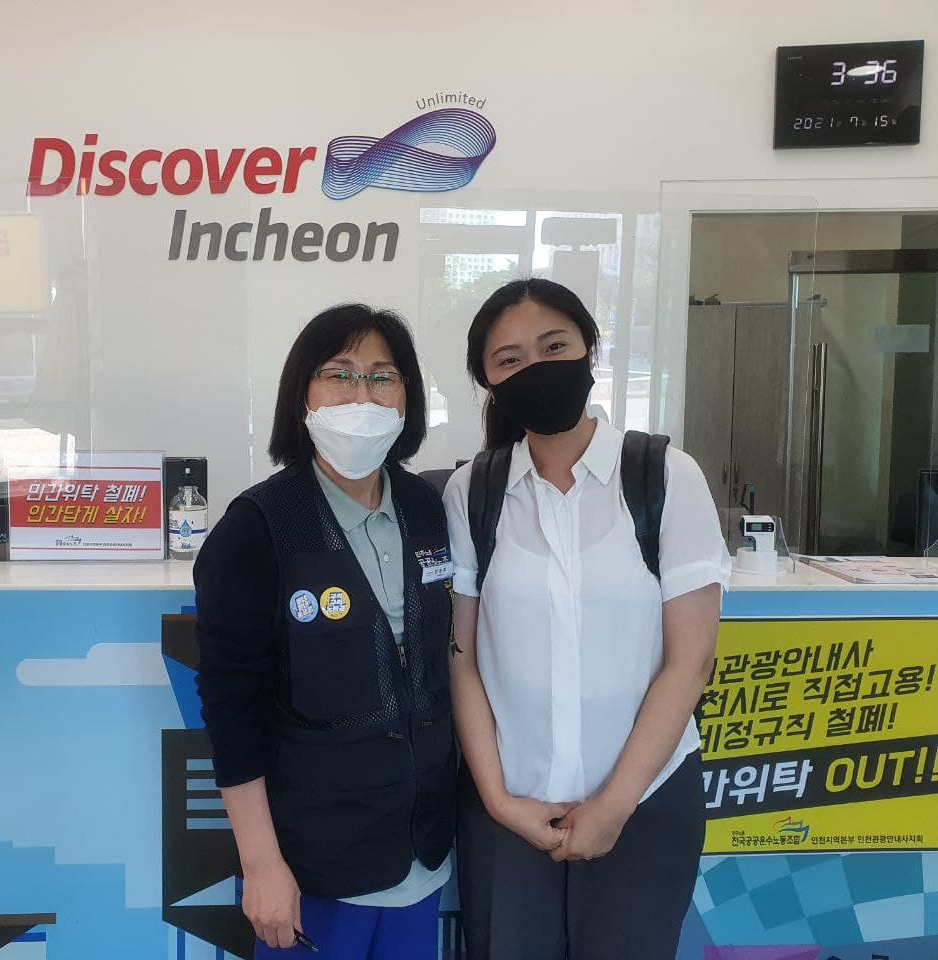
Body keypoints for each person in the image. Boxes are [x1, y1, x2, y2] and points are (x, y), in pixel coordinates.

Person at [443, 278, 730, 960]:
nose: (535, 368)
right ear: (487, 381)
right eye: (509, 359)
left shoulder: (667, 477)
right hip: (509, 809)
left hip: (646, 802)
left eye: (554, 346)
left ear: (589, 350)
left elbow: (690, 661)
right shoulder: (472, 492)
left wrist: (614, 804)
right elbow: (462, 660)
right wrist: (498, 800)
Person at [193, 304, 457, 960]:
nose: (362, 394)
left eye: (383, 376)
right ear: (301, 395)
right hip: (313, 869)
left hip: (422, 856)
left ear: (408, 398)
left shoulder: (427, 508)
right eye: (339, 374)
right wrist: (261, 865)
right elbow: (231, 710)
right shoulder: (258, 526)